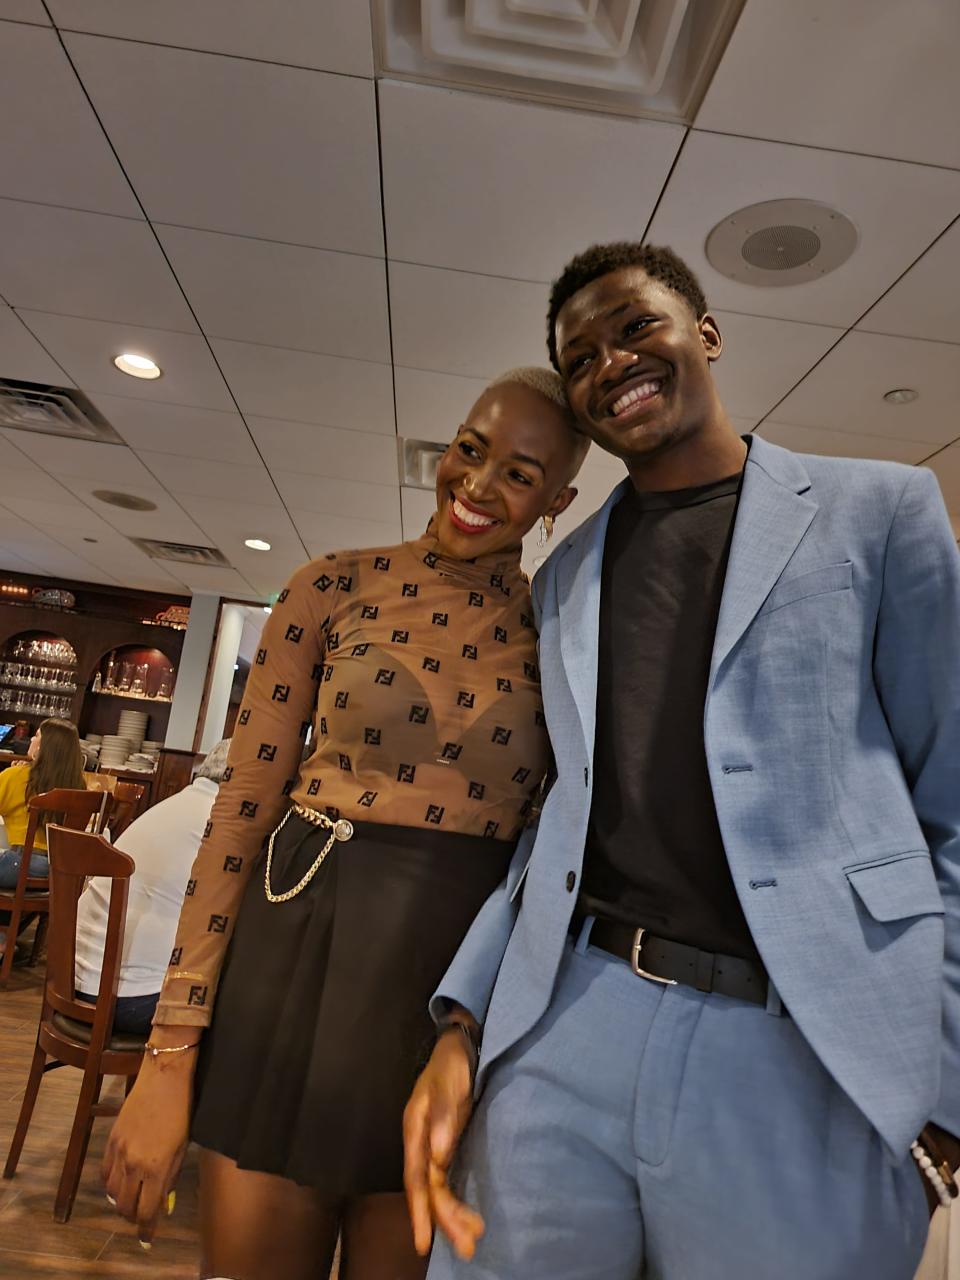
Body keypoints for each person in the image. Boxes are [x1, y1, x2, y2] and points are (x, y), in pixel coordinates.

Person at [405, 243, 960, 1280]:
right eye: (580, 356)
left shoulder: (879, 512)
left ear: (704, 332)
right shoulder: (565, 573)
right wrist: (468, 1017)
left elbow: (957, 804)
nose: (610, 360)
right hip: (571, 1018)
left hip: (802, 1050)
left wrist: (946, 1083)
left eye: (635, 325)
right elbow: (559, 819)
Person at [102, 367, 590, 1280]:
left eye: (520, 474)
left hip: (448, 999)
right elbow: (239, 817)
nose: (479, 487)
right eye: (471, 450)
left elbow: (553, 844)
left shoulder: (562, 635)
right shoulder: (332, 586)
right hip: (295, 952)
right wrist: (168, 1056)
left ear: (557, 499)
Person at [73, 741, 231, 1035]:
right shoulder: (221, 824)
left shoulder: (173, 805)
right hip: (124, 999)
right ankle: (164, 1079)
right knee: (240, 1006)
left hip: (73, 979)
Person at [0, 717, 87, 958]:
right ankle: (7, 936)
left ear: (46, 746)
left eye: (37, 735)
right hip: (58, 870)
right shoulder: (78, 786)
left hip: (21, 864)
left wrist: (13, 773)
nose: (31, 739)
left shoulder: (18, 777)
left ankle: (1, 939)